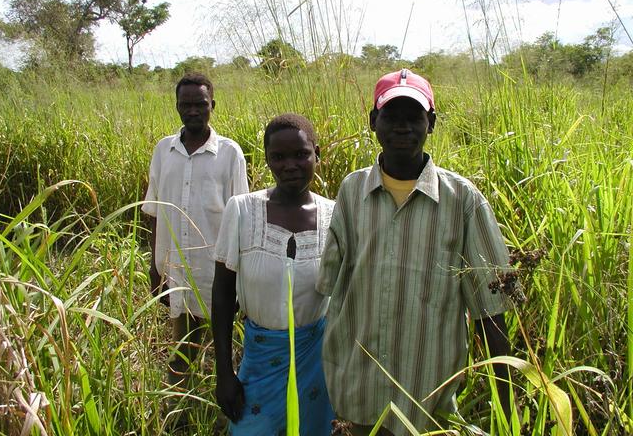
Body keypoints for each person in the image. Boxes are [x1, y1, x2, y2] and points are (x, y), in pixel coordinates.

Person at [317, 69, 515, 435]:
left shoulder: (463, 201)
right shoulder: (351, 191)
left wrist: (506, 406)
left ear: (432, 123)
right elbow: (331, 286)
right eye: (391, 116)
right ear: (374, 121)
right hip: (358, 391)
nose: (403, 127)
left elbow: (491, 308)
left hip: (427, 398)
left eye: (415, 117)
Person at [212, 113, 336, 435]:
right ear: (266, 160)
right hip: (259, 359)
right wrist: (224, 372)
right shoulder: (241, 210)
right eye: (278, 157)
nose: (290, 165)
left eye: (300, 154)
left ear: (317, 155)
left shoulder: (334, 215)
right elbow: (223, 294)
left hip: (316, 363)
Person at [142, 73, 248, 405]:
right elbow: (154, 211)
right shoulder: (164, 150)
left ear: (212, 106)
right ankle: (179, 410)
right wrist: (155, 267)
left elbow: (241, 219)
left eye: (200, 104)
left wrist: (239, 277)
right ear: (176, 107)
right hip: (177, 270)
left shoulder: (230, 154)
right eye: (185, 105)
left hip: (217, 273)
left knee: (224, 353)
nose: (192, 111)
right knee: (182, 349)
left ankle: (223, 411)